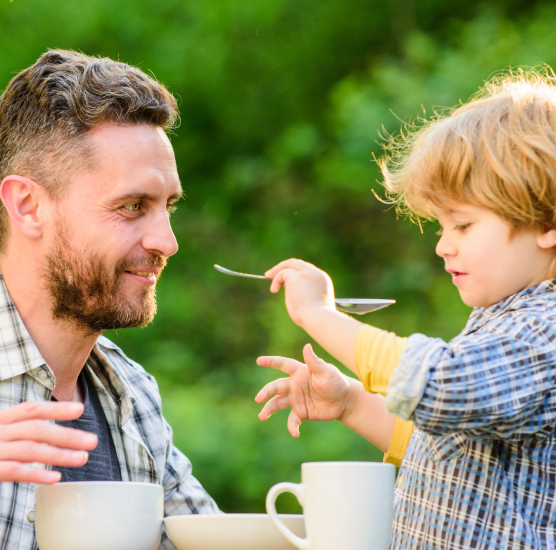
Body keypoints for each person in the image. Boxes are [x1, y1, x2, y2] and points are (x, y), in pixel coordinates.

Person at [255, 71, 556, 549]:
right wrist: (352, 402)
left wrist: (320, 316)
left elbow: (439, 383)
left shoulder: (544, 332)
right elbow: (445, 449)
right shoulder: (502, 319)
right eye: (441, 227)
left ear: (545, 221)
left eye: (462, 225)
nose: (443, 247)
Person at [0, 50, 219, 549]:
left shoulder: (131, 393)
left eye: (167, 207)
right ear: (29, 207)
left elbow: (212, 540)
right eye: (132, 206)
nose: (167, 241)